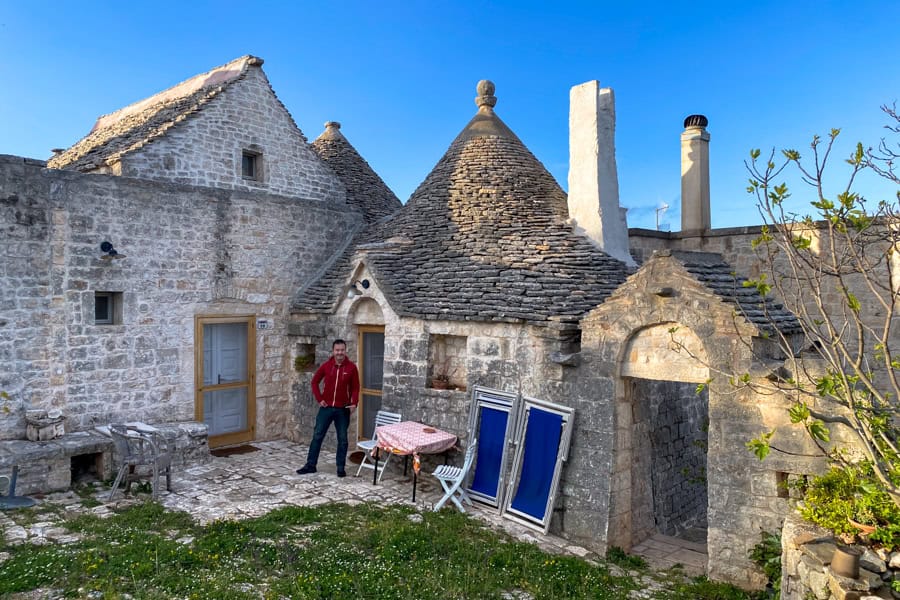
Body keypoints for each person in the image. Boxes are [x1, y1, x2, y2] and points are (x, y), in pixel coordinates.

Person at [296, 339, 360, 477]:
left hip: (343, 409)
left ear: (345, 350)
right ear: (333, 351)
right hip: (326, 409)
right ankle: (310, 465)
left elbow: (355, 388)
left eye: (342, 350)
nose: (340, 353)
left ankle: (340, 468)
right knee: (317, 435)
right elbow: (314, 382)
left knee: (342, 439)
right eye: (337, 350)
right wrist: (320, 399)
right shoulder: (326, 366)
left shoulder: (351, 368)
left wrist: (354, 403)